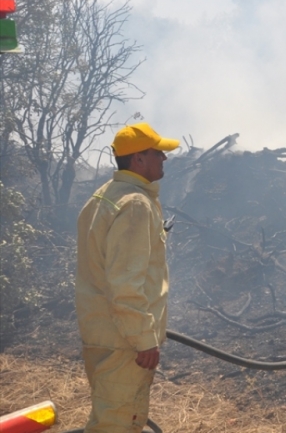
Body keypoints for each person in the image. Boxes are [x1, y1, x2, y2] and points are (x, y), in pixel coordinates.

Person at [76, 122, 180, 432]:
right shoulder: (135, 204)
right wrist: (143, 338)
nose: (164, 158)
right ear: (138, 159)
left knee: (116, 419)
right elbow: (124, 283)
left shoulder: (103, 196)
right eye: (158, 153)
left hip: (104, 331)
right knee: (116, 425)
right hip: (125, 341)